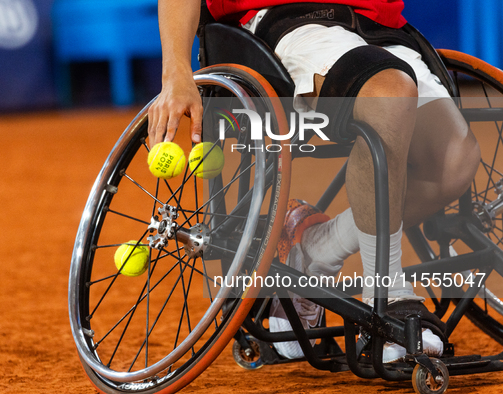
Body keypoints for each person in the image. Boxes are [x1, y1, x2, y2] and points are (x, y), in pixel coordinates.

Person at [148, 0, 481, 362]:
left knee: (453, 163)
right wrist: (175, 72)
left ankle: (312, 247)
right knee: (387, 92)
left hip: (379, 29)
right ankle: (388, 295)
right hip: (294, 24)